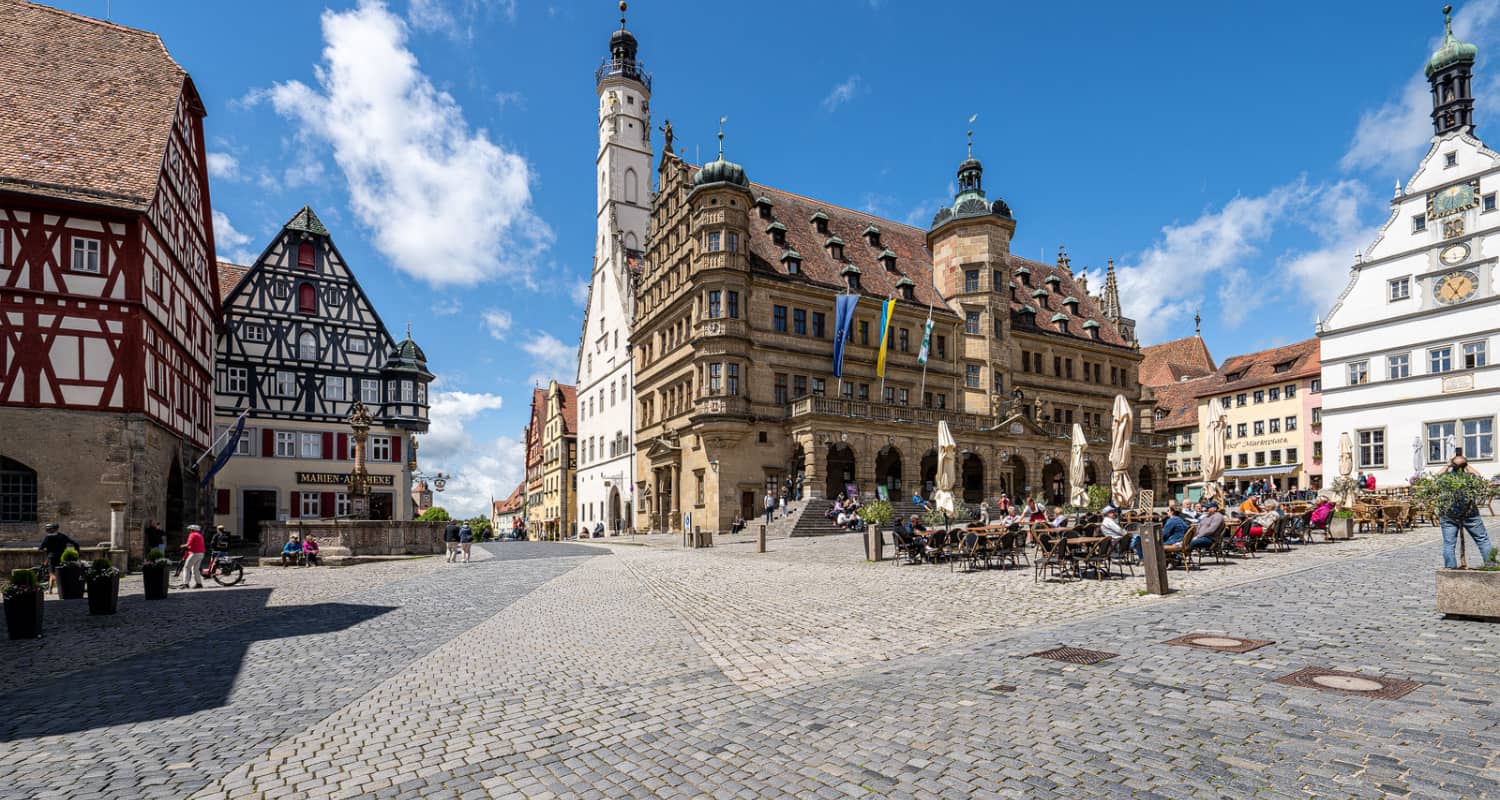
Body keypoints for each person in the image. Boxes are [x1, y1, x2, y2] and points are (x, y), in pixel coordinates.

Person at [1440, 454, 1494, 569]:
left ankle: (1450, 569)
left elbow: (1436, 477)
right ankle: (1491, 566)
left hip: (1449, 513)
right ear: (1465, 466)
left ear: (1452, 465)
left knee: (1449, 543)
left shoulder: (1445, 478)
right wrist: (1466, 465)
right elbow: (1478, 475)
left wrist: (1447, 465)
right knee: (1482, 540)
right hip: (1470, 513)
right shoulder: (1470, 478)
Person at [37, 522, 80, 595]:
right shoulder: (62, 536)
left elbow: (40, 548)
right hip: (62, 557)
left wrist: (46, 551)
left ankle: (60, 585)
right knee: (57, 572)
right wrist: (77, 552)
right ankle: (50, 590)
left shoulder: (47, 538)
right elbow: (75, 543)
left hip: (52, 557)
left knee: (52, 573)